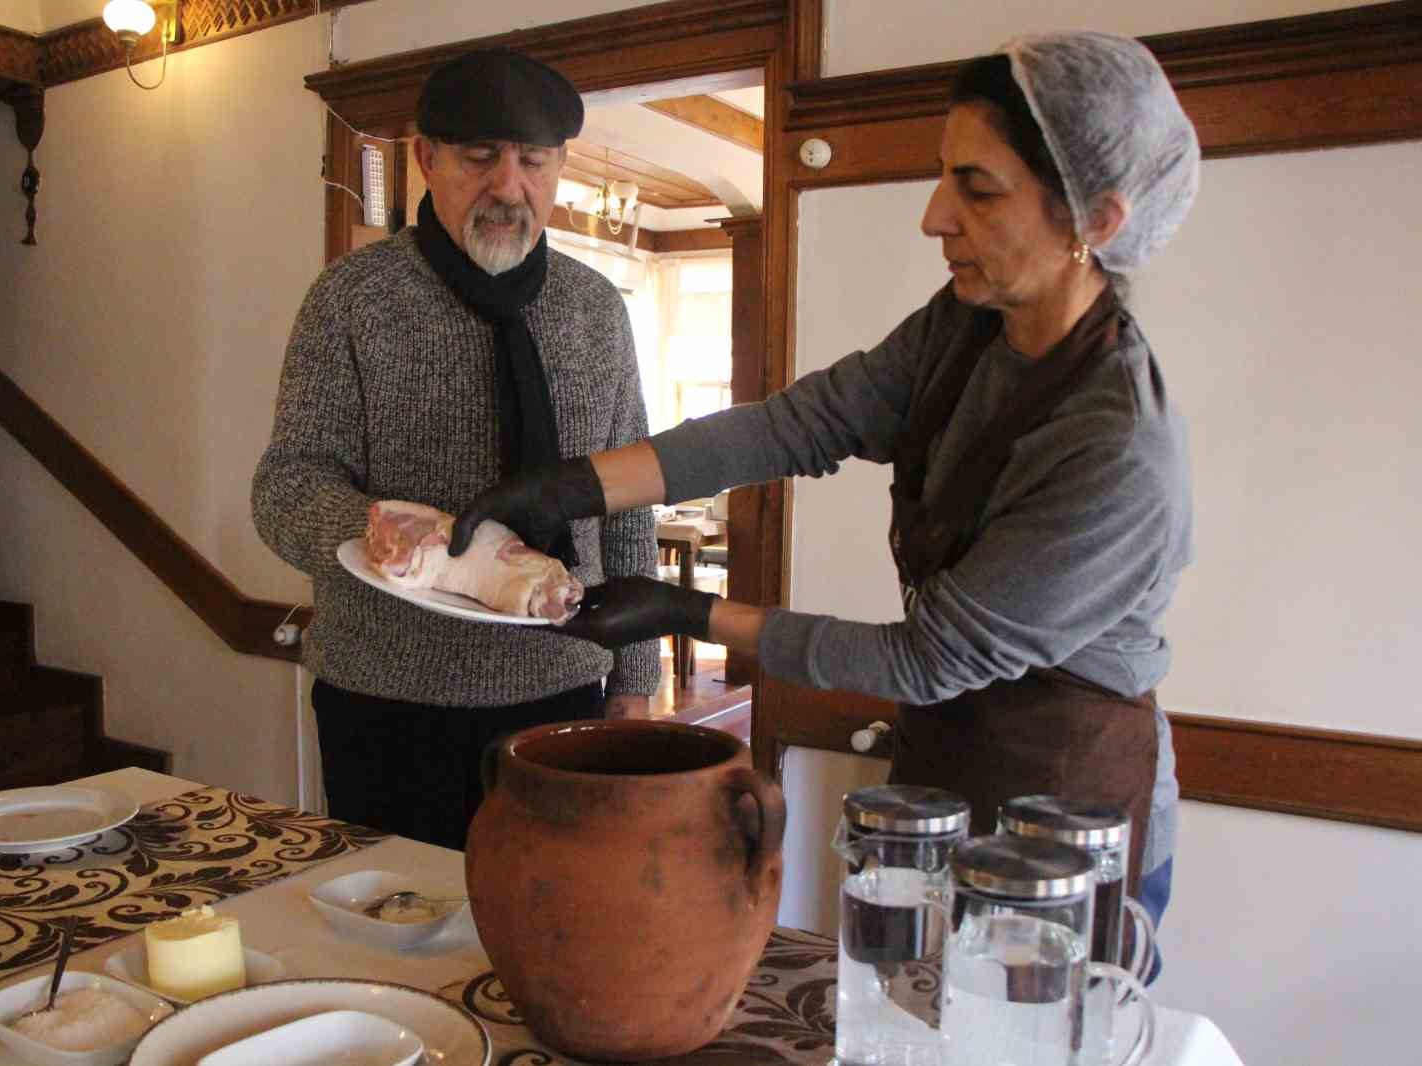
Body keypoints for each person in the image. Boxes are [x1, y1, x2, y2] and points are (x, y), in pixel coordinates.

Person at [452, 32, 1198, 961]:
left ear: (1099, 218)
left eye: (979, 188)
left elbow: (929, 657)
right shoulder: (965, 324)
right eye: (943, 177)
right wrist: (574, 483)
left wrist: (690, 611)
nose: (935, 217)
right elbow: (794, 425)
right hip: (948, 754)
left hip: (1072, 793)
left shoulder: (1115, 443)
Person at [251, 48, 661, 851]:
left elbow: (629, 504)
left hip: (563, 687)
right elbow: (286, 484)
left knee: (553, 938)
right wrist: (372, 526)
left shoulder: (596, 310)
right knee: (390, 942)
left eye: (533, 162)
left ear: (559, 167)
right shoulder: (349, 301)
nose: (508, 187)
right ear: (426, 158)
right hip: (387, 699)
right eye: (480, 157)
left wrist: (638, 681)